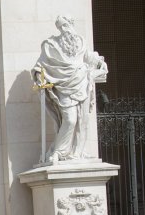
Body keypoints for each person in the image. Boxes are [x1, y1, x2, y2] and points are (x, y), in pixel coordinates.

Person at [32, 16, 108, 163]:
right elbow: (40, 64)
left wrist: (99, 62)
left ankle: (77, 152)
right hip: (63, 86)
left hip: (82, 83)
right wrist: (38, 75)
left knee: (83, 120)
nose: (64, 29)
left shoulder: (81, 41)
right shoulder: (51, 44)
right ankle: (58, 152)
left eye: (66, 25)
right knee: (70, 120)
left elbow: (88, 57)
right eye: (61, 27)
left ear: (72, 25)